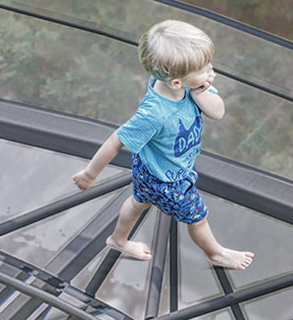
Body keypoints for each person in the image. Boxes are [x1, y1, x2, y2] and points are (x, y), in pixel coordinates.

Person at [71, 19, 255, 269]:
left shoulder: (185, 84)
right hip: (169, 181)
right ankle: (215, 254)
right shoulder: (155, 113)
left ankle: (118, 239)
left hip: (155, 166)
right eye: (203, 68)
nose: (211, 71)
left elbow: (218, 112)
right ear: (176, 82)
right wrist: (89, 175)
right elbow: (117, 139)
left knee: (139, 202)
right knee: (198, 218)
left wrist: (200, 89)